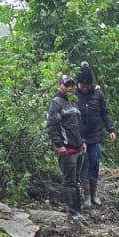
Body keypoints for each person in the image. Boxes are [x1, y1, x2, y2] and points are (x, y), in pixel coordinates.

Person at [74, 61, 116, 207]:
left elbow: (104, 112)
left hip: (95, 136)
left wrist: (111, 129)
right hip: (80, 138)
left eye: (87, 85)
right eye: (82, 85)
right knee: (84, 165)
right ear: (78, 83)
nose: (85, 88)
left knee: (95, 163)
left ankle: (94, 194)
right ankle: (86, 195)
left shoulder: (98, 94)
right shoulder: (73, 95)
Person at [46, 74, 85, 218]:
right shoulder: (55, 103)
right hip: (67, 149)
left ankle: (78, 210)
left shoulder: (73, 103)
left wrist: (83, 141)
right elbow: (52, 126)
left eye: (71, 85)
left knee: (76, 180)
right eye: (66, 85)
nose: (69, 88)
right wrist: (59, 144)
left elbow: (79, 125)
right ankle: (72, 211)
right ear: (59, 86)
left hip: (78, 148)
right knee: (69, 182)